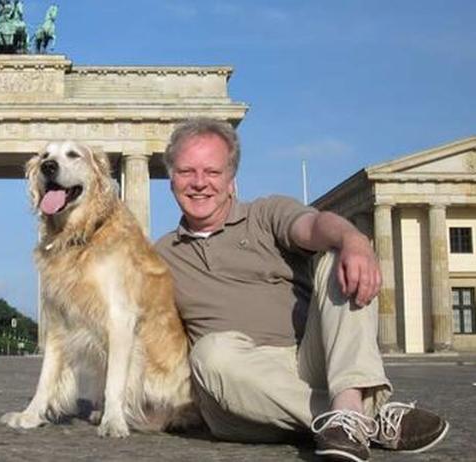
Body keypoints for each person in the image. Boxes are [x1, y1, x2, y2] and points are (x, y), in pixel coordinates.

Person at [154, 118, 449, 461]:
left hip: (310, 360)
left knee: (338, 255)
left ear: (231, 180)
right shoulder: (160, 256)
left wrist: (353, 239)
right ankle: (362, 418)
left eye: (212, 172)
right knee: (210, 352)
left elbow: (315, 225)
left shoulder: (265, 213)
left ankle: (345, 413)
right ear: (171, 179)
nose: (200, 183)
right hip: (237, 391)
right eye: (187, 171)